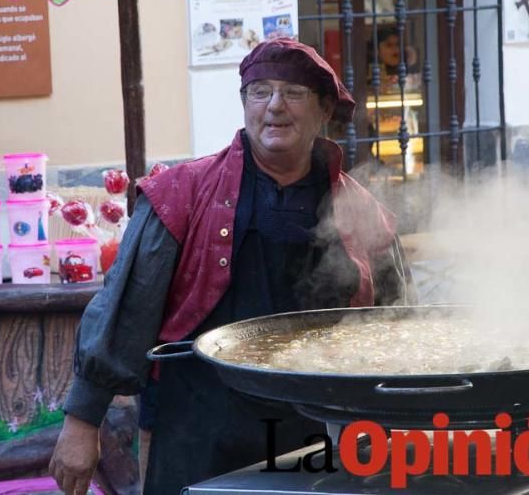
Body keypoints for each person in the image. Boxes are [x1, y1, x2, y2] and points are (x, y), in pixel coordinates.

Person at [50, 38, 413, 495]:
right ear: (245, 104)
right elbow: (128, 307)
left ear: (323, 111)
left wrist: (407, 419)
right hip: (200, 425)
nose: (275, 106)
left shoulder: (362, 213)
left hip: (319, 429)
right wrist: (83, 421)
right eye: (260, 92)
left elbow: (398, 328)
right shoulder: (182, 193)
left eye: (293, 93)